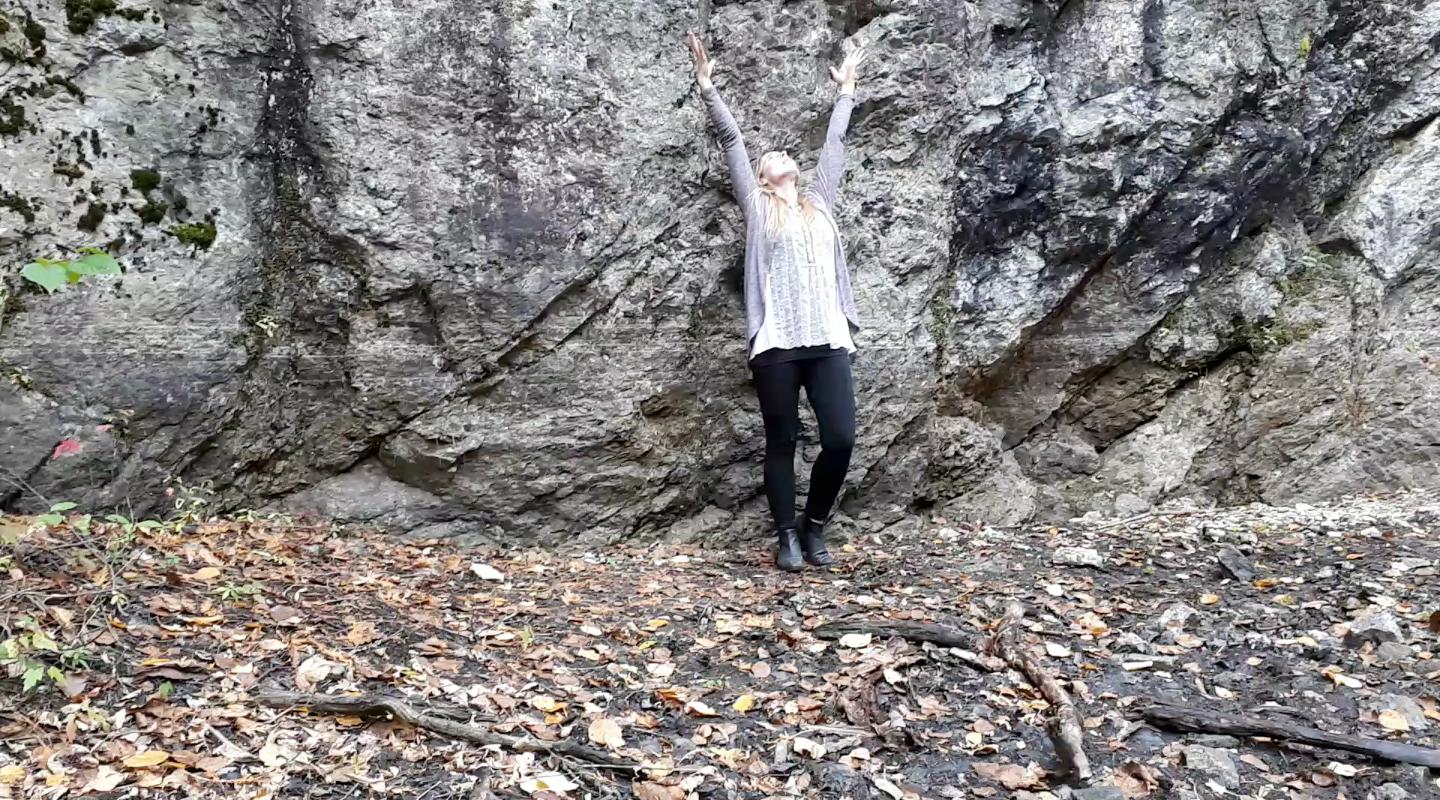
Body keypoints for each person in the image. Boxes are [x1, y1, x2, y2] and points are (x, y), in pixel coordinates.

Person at [685, 32, 866, 572]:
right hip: (778, 343)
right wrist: (707, 86)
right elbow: (732, 142)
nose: (783, 155)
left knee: (840, 437)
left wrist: (847, 90)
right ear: (763, 178)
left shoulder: (819, 203)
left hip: (828, 339)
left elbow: (834, 147)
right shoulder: (758, 209)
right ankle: (786, 537)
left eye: (787, 155)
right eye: (773, 158)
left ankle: (814, 527)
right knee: (782, 440)